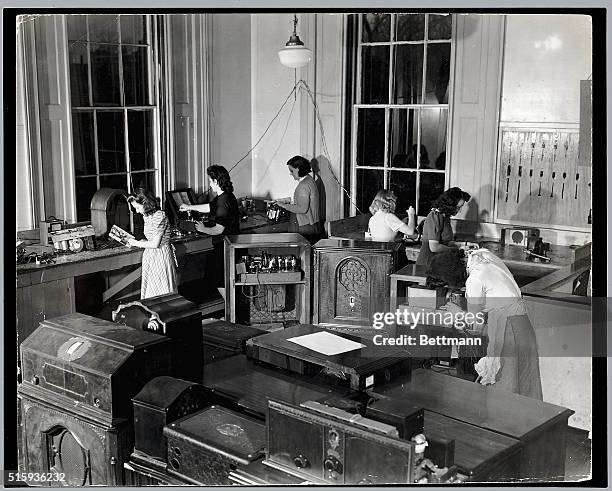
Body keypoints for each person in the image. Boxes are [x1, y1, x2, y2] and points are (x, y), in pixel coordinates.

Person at [426, 248, 543, 400]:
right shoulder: (483, 255)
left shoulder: (474, 280)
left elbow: (476, 322)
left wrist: (457, 313)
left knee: (504, 387)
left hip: (507, 330)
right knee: (526, 385)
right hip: (523, 324)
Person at [127, 189, 178, 300]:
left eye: (137, 207)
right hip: (151, 256)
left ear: (145, 204)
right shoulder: (147, 216)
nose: (136, 211)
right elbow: (153, 238)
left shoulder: (159, 215)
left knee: (160, 291)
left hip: (160, 255)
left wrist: (136, 243)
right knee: (151, 290)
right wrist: (144, 242)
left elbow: (155, 244)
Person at [416, 186, 475, 268]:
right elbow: (434, 247)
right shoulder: (434, 217)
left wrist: (466, 244)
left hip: (439, 262)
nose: (459, 210)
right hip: (428, 264)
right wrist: (457, 249)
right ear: (449, 205)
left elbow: (446, 242)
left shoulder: (445, 217)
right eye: (457, 207)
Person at [179, 165, 240, 236]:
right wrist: (189, 207)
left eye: (210, 181)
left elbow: (218, 230)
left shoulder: (223, 201)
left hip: (225, 244)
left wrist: (203, 229)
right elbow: (209, 207)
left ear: (215, 181)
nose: (210, 185)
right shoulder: (226, 195)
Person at [274, 155, 323, 244]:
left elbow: (302, 209)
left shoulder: (303, 185)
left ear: (299, 169)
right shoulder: (309, 179)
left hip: (304, 226)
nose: (291, 173)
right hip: (313, 224)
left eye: (292, 171)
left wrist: (283, 205)